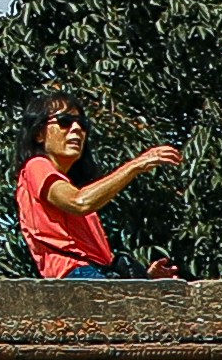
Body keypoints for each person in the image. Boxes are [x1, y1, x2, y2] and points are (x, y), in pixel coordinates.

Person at [17, 95, 182, 278]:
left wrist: (146, 278)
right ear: (39, 133)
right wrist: (137, 165)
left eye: (83, 124)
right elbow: (79, 202)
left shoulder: (70, 184)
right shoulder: (37, 166)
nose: (77, 129)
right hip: (77, 274)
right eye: (65, 121)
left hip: (93, 273)